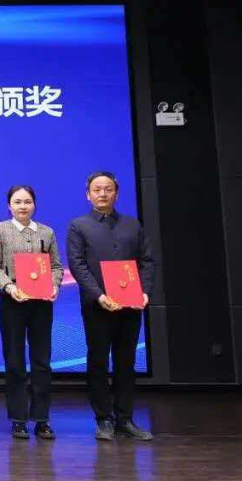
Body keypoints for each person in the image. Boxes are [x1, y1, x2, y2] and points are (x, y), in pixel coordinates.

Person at [67, 170, 157, 442]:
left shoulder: (132, 225)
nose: (102, 194)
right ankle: (103, 419)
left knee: (126, 362)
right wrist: (99, 295)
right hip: (98, 306)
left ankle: (124, 419)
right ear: (88, 195)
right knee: (98, 361)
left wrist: (144, 292)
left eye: (108, 189)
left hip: (130, 305)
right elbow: (78, 265)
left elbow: (147, 261)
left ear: (116, 193)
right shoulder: (79, 226)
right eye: (97, 189)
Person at [0, 185, 63, 441]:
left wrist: (54, 285)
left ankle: (42, 419)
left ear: (34, 204)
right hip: (12, 302)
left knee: (42, 361)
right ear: (9, 206)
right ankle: (18, 419)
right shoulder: (0, 229)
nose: (22, 206)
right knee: (15, 360)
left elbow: (56, 266)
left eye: (27, 201)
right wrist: (9, 287)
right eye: (17, 202)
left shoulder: (47, 232)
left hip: (41, 303)